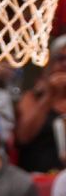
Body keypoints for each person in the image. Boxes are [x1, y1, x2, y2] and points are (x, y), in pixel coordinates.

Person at [16, 34, 66, 173]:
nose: (64, 64)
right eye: (60, 59)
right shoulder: (32, 97)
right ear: (50, 66)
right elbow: (23, 137)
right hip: (37, 176)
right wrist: (49, 95)